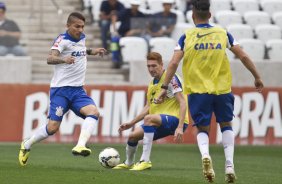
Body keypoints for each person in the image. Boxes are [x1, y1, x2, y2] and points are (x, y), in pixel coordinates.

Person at [156, 0, 264, 183]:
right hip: (222, 90)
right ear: (210, 15)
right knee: (226, 125)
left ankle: (206, 155)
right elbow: (243, 55)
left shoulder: (187, 36)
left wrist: (164, 87)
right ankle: (229, 165)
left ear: (192, 16)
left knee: (202, 128)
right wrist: (257, 76)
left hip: (198, 91)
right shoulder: (223, 34)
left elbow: (174, 63)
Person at [18, 12, 107, 166]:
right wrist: (63, 59)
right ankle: (27, 144)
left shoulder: (82, 37)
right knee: (52, 128)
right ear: (68, 26)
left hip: (78, 90)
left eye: (82, 27)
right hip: (61, 91)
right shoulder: (62, 40)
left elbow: (81, 50)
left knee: (93, 112)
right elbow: (50, 58)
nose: (80, 29)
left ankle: (80, 145)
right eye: (77, 26)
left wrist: (94, 51)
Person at [113, 52, 189, 171]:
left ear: (162, 65)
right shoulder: (152, 84)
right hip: (159, 121)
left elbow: (183, 102)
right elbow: (148, 107)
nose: (151, 69)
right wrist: (131, 123)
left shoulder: (172, 78)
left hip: (177, 120)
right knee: (133, 136)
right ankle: (129, 162)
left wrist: (180, 127)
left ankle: (145, 161)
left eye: (154, 66)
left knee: (149, 119)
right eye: (148, 66)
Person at [110, 0, 146, 68]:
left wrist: (133, 31)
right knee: (114, 41)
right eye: (133, 5)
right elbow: (114, 16)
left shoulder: (141, 15)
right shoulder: (125, 11)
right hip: (122, 34)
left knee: (146, 41)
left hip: (136, 36)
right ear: (131, 5)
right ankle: (115, 59)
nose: (135, 7)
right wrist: (115, 30)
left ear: (138, 6)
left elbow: (143, 28)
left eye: (136, 5)